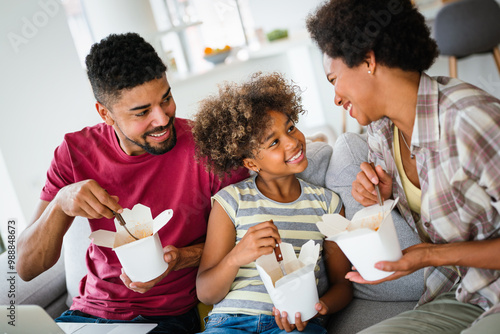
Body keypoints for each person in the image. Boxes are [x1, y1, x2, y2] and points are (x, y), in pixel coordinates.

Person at [16, 32, 247, 334]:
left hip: (167, 319)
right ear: (105, 113)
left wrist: (180, 259)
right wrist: (62, 203)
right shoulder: (74, 153)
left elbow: (248, 239)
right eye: (142, 112)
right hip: (86, 315)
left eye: (166, 99)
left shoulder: (208, 148)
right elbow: (26, 267)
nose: (162, 119)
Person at [306, 0, 500, 332]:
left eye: (334, 78)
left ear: (368, 60)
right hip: (461, 294)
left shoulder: (470, 120)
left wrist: (428, 256)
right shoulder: (382, 133)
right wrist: (380, 198)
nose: (336, 97)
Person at [192, 72, 353, 333]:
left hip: (295, 325)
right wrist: (236, 256)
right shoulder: (230, 202)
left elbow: (343, 285)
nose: (292, 142)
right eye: (274, 142)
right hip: (230, 322)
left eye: (290, 128)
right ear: (251, 163)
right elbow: (206, 293)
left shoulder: (327, 204)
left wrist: (319, 305)